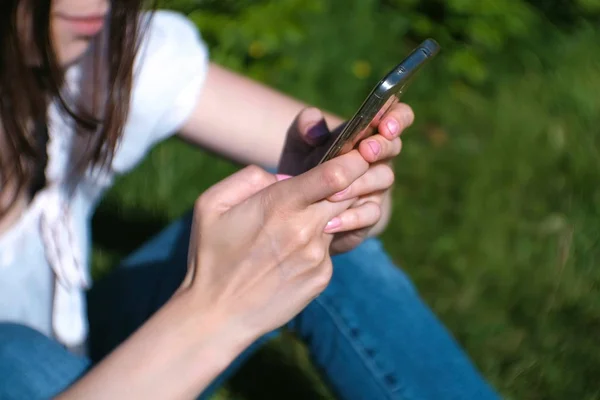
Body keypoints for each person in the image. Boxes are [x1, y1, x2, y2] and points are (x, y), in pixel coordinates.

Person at [0, 1, 499, 399]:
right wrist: (216, 310)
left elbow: (375, 211)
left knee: (301, 229)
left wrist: (343, 189)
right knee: (16, 352)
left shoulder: (101, 55)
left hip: (83, 339)